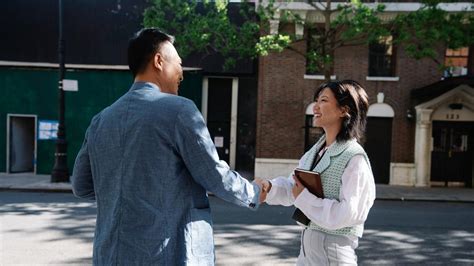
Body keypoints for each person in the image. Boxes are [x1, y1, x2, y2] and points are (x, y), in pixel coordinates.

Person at [71, 28, 261, 265]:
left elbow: (81, 186)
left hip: (110, 256)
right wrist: (255, 191)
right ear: (159, 61)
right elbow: (214, 176)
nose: (181, 72)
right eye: (178, 63)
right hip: (166, 255)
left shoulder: (101, 120)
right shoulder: (179, 110)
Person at [256, 80, 376, 265]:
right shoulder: (316, 151)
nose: (316, 106)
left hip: (333, 256)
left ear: (344, 110)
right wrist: (270, 189)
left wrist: (304, 198)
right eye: (316, 100)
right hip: (307, 253)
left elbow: (348, 214)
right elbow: (294, 187)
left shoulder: (354, 159)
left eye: (324, 100)